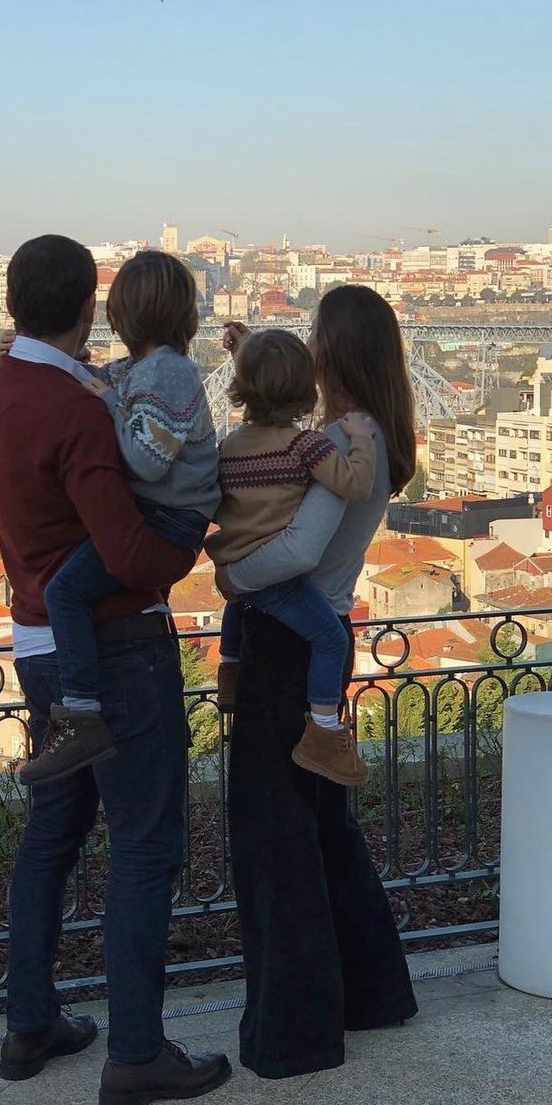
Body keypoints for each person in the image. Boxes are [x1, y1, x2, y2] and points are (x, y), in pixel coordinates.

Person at [0, 234, 230, 1105]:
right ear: (88, 309)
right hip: (118, 647)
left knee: (54, 832)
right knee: (145, 845)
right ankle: (137, 1053)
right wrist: (187, 544)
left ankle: (29, 1022)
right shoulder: (78, 409)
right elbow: (127, 553)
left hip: (40, 644)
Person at [219, 285, 420, 1079]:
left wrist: (232, 576)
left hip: (287, 644)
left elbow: (297, 551)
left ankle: (294, 1030)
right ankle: (372, 992)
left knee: (276, 841)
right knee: (324, 830)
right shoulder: (373, 437)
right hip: (324, 643)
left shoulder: (338, 442)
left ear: (331, 353)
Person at [17, 250, 220, 785]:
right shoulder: (140, 368)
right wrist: (28, 354)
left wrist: (107, 402)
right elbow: (90, 379)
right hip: (158, 514)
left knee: (64, 593)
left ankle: (80, 715)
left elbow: (147, 462)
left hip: (169, 517)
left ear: (123, 313)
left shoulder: (170, 372)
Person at [206, 328, 376, 785]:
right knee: (331, 641)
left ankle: (230, 670)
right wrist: (360, 439)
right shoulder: (306, 446)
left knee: (238, 599)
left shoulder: (231, 447)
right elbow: (355, 485)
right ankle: (324, 731)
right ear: (306, 392)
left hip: (235, 566)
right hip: (278, 579)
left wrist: (246, 351)